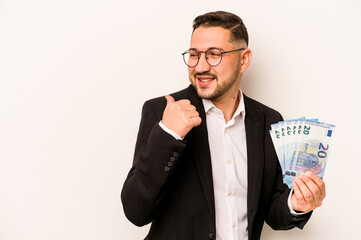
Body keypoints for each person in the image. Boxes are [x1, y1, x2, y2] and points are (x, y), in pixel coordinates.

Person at [121, 11, 326, 240]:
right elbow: (136, 212)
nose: (200, 67)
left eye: (213, 55)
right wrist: (168, 135)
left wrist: (296, 203)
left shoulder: (269, 120)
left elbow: (272, 212)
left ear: (244, 59)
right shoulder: (161, 112)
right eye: (194, 55)